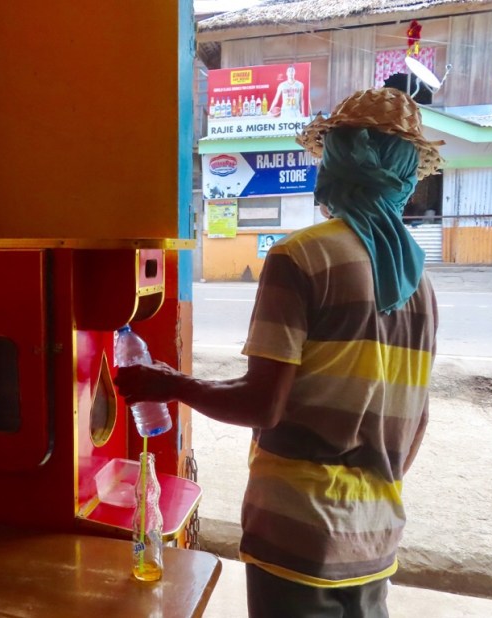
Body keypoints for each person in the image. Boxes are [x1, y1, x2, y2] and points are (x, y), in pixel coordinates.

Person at [115, 88, 441, 618]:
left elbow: (262, 405)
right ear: (404, 177)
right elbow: (416, 420)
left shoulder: (301, 257)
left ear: (336, 163)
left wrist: (168, 384)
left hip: (298, 535)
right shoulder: (418, 282)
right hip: (376, 536)